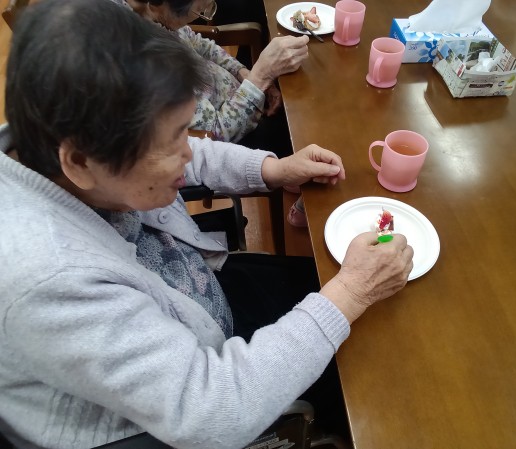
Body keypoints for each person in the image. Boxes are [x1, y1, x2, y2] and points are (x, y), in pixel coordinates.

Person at [0, 1, 414, 449]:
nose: (188, 152)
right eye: (173, 141)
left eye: (183, 131)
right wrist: (351, 293)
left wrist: (272, 169)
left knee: (350, 297)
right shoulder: (51, 283)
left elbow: (187, 150)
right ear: (80, 162)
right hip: (197, 391)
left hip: (197, 293)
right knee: (376, 366)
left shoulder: (59, 143)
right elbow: (214, 409)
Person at [115, 0, 307, 157]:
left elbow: (198, 43)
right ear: (157, 6)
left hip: (240, 97)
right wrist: (260, 77)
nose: (204, 12)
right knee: (300, 130)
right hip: (234, 140)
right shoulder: (145, 65)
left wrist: (244, 73)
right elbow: (216, 135)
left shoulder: (153, 15)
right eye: (201, 11)